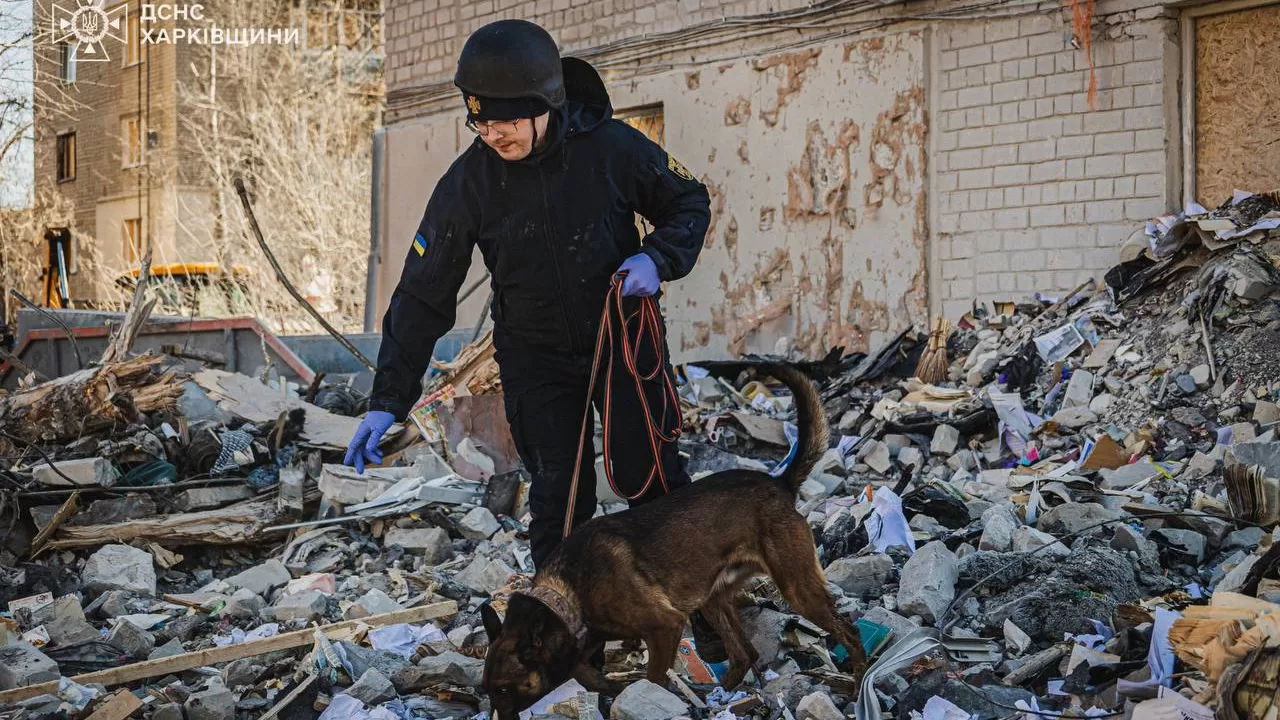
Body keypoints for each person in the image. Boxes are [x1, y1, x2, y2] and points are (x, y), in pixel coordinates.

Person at [344, 19, 728, 672]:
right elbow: (421, 295)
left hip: (622, 346)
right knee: (557, 506)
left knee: (657, 491)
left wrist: (658, 258)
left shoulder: (612, 149)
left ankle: (718, 634)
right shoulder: (470, 182)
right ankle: (563, 652)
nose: (493, 135)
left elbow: (689, 200)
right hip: (537, 358)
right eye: (481, 123)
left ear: (546, 104)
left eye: (506, 122)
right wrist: (387, 399)